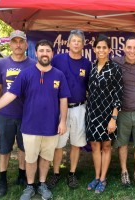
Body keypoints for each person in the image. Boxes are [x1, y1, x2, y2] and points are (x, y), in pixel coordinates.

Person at [0, 40, 71, 200]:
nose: (44, 54)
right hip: (30, 126)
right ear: (36, 53)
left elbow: (63, 100)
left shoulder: (58, 75)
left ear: (52, 54)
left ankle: (42, 184)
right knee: (30, 158)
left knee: (46, 158)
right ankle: (29, 186)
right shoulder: (26, 74)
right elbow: (10, 94)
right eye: (41, 51)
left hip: (51, 126)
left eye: (48, 51)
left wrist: (62, 122)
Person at [47, 30, 91, 189]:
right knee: (58, 144)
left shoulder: (87, 64)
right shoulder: (58, 59)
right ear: (68, 43)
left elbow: (88, 87)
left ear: (83, 44)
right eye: (74, 41)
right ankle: (56, 173)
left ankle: (72, 173)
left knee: (76, 143)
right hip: (60, 109)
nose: (77, 43)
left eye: (79, 41)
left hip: (79, 107)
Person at [0, 30, 36, 196]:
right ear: (10, 44)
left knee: (23, 147)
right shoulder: (2, 64)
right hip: (6, 115)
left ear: (26, 44)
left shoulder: (33, 64)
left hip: (26, 115)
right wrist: (0, 107)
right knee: (4, 148)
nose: (18, 45)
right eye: (15, 41)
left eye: (21, 41)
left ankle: (21, 175)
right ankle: (2, 179)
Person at [86, 34, 123, 193]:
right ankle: (96, 176)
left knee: (106, 146)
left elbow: (118, 95)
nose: (101, 50)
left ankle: (103, 178)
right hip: (92, 112)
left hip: (108, 114)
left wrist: (113, 118)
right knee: (95, 145)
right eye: (98, 47)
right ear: (94, 49)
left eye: (104, 47)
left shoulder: (115, 68)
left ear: (109, 49)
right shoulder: (92, 67)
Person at [112, 36, 135, 188]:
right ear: (124, 48)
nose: (132, 51)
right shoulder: (116, 62)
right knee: (122, 144)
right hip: (122, 111)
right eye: (129, 47)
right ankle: (124, 172)